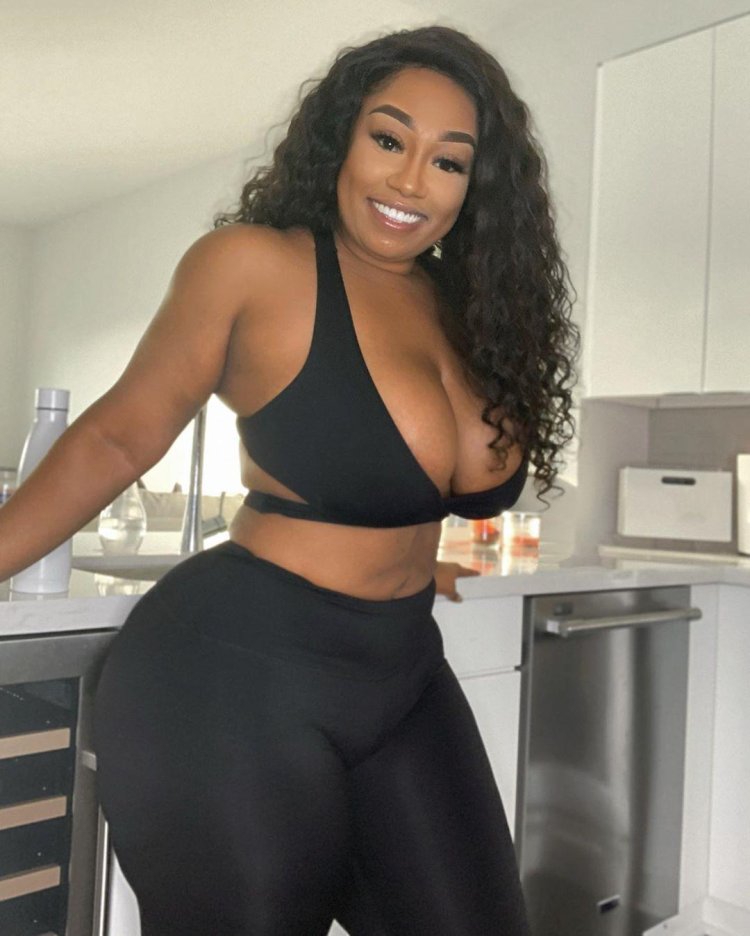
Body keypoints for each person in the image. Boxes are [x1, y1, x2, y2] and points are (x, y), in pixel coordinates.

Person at [0, 25, 578, 936]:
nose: (410, 181)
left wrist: (414, 563)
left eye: (448, 161)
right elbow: (115, 439)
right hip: (231, 676)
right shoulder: (255, 265)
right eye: (388, 139)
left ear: (478, 186)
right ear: (343, 136)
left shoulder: (468, 309)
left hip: (402, 670)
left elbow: (414, 491)